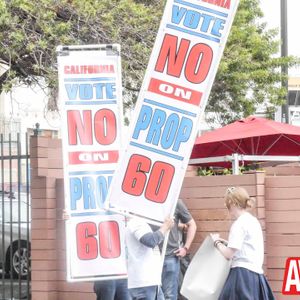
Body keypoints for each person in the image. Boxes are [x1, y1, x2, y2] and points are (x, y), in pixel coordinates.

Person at [211, 186, 275, 300]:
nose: (226, 207)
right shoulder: (253, 221)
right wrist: (226, 242)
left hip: (241, 275)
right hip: (256, 275)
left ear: (232, 203)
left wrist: (216, 242)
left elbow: (228, 254)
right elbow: (246, 245)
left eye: (227, 203)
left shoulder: (239, 224)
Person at [126, 216, 174, 300]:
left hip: (148, 282)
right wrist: (165, 227)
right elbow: (150, 241)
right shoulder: (136, 222)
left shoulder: (138, 222)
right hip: (144, 283)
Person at [161, 199, 197, 300]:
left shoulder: (175, 201)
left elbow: (192, 225)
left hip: (170, 256)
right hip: (149, 256)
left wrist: (185, 248)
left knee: (169, 295)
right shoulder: (144, 202)